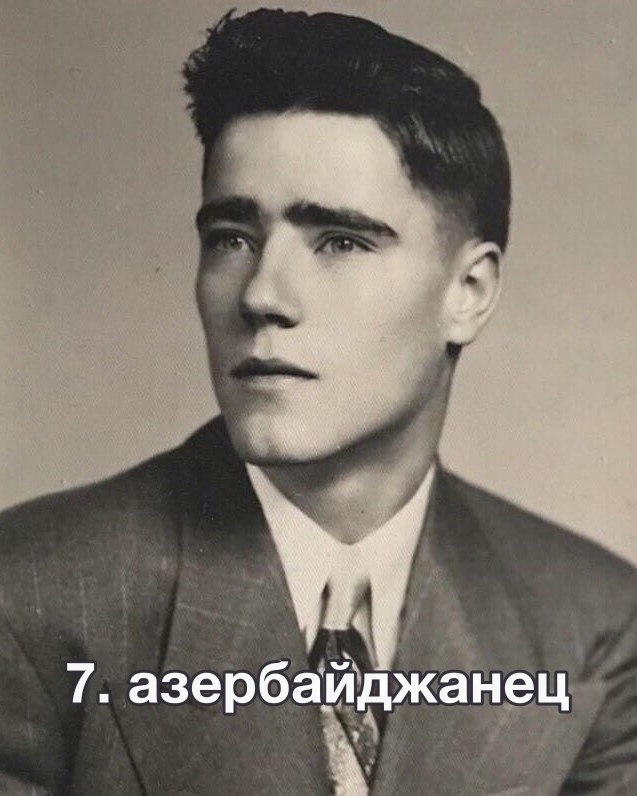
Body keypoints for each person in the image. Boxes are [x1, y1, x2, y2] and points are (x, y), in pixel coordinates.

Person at [0, 8, 635, 795]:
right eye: (231, 238)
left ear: (468, 292)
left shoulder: (592, 624)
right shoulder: (29, 597)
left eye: (339, 241)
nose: (261, 295)